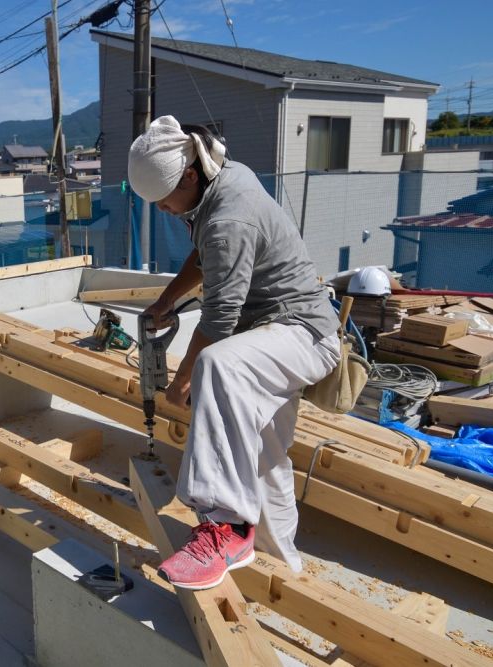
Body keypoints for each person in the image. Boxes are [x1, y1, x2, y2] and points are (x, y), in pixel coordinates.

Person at [129, 115, 341, 590]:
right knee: (264, 458)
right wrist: (167, 301)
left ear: (188, 173)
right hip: (273, 336)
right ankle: (283, 569)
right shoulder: (221, 180)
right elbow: (206, 255)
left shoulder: (229, 216)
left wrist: (182, 381)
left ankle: (225, 523)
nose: (162, 209)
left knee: (217, 364)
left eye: (163, 199)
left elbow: (220, 321)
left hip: (300, 333)